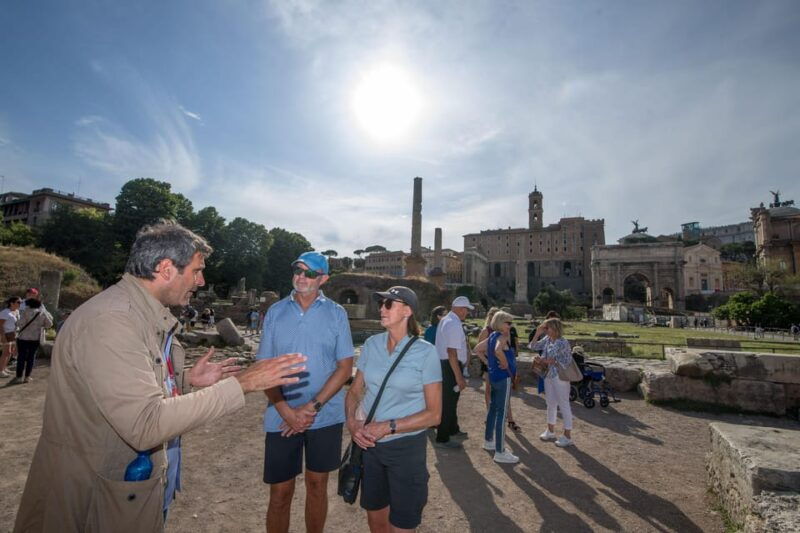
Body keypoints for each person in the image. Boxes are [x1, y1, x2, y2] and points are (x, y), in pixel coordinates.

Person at [13, 220, 307, 532]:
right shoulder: (113, 322)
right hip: (93, 500)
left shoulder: (139, 315)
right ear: (166, 268)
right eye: (196, 270)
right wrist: (243, 383)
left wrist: (185, 382)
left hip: (118, 490)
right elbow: (145, 423)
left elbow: (127, 388)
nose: (202, 281)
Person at [257, 251, 354, 533]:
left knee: (316, 485)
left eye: (309, 273)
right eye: (298, 270)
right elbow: (264, 367)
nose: (301, 277)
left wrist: (310, 409)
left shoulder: (337, 313)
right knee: (280, 493)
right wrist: (287, 411)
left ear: (323, 279)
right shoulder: (275, 312)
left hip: (324, 415)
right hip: (280, 413)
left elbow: (345, 367)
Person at [346, 286, 442, 532]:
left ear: (407, 311)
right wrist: (353, 423)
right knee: (376, 520)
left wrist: (388, 427)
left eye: (389, 304)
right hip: (370, 447)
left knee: (402, 525)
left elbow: (435, 414)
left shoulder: (426, 353)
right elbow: (355, 391)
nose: (381, 308)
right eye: (381, 303)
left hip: (406, 450)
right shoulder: (371, 344)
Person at [476, 310, 519, 463]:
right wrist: (505, 362)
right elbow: (497, 350)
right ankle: (500, 451)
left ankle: (489, 441)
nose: (510, 326)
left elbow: (477, 349)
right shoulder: (502, 336)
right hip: (503, 378)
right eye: (508, 323)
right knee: (502, 412)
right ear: (501, 323)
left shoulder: (492, 336)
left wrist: (489, 363)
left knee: (493, 409)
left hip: (493, 376)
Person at [434, 295, 474, 449]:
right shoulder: (453, 324)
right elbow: (451, 352)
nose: (467, 312)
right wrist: (459, 377)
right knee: (448, 402)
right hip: (450, 366)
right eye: (465, 309)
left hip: (446, 365)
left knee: (451, 400)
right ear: (459, 309)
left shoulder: (447, 320)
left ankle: (452, 429)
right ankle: (443, 438)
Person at [529, 317, 575, 448]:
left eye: (547, 328)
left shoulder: (562, 342)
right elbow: (533, 346)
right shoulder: (548, 339)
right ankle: (550, 430)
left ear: (555, 328)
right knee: (550, 403)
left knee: (564, 404)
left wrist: (546, 360)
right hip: (549, 375)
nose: (545, 330)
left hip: (560, 376)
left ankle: (567, 436)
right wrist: (537, 333)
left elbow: (559, 360)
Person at [9, 297, 53, 384]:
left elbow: (19, 324)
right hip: (35, 338)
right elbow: (49, 324)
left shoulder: (25, 312)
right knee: (31, 357)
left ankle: (19, 377)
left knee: (21, 357)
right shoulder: (42, 313)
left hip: (23, 338)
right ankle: (27, 377)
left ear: (28, 304)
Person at [0, 296, 22, 378]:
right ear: (11, 303)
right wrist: (3, 337)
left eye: (20, 302)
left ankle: (4, 368)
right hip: (6, 333)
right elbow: (0, 325)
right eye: (18, 302)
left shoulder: (16, 311)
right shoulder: (5, 312)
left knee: (10, 352)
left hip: (14, 333)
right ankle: (0, 370)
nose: (20, 304)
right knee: (5, 353)